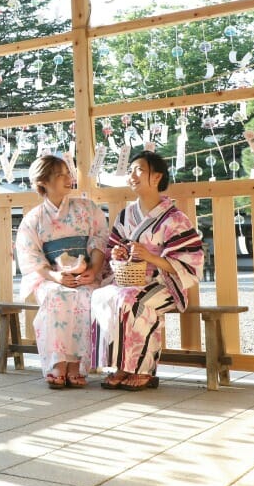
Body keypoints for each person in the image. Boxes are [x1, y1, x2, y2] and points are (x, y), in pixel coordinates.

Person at [91, 150, 205, 391]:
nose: (132, 175)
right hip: (128, 280)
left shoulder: (175, 219)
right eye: (131, 170)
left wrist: (151, 257)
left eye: (139, 170)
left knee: (130, 299)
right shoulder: (126, 215)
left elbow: (190, 259)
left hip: (163, 284)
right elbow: (114, 246)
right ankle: (119, 365)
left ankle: (143, 368)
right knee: (103, 296)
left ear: (156, 178)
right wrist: (117, 255)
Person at [14, 155, 109, 389]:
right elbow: (31, 255)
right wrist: (55, 276)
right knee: (57, 297)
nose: (69, 178)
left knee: (86, 297)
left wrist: (94, 270)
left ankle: (77, 364)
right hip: (51, 277)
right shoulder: (33, 219)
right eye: (61, 174)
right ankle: (58, 363)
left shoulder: (87, 208)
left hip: (86, 273)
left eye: (69, 173)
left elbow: (100, 241)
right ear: (44, 181)